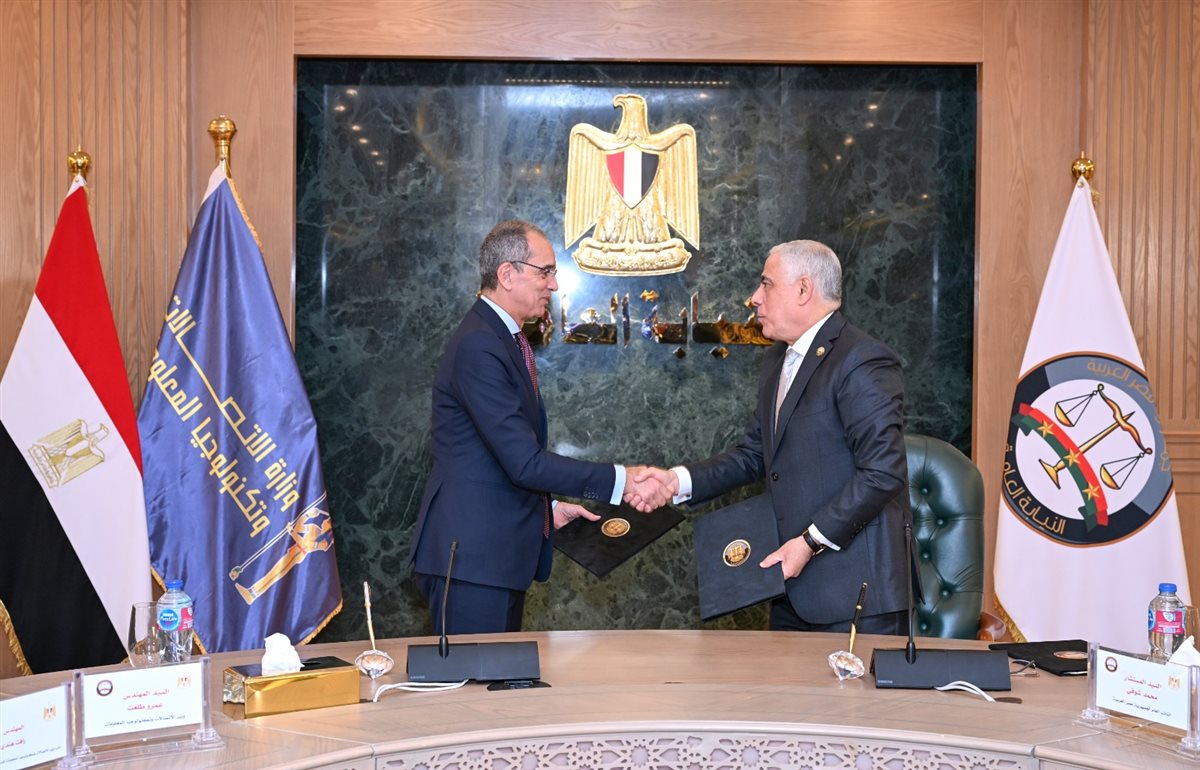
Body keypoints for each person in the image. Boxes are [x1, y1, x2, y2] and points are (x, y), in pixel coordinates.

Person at [635, 240, 910, 634]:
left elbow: (883, 472)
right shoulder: (778, 358)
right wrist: (676, 481)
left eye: (766, 284)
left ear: (803, 289)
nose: (754, 298)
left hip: (856, 598)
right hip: (789, 588)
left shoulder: (861, 359)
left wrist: (810, 541)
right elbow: (754, 454)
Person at [410, 219, 662, 634]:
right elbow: (524, 462)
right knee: (478, 678)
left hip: (494, 558)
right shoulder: (480, 345)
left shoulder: (501, 338)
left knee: (499, 676)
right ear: (507, 274)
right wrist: (622, 480)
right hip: (473, 561)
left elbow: (492, 459)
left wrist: (548, 511)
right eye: (545, 272)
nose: (554, 285)